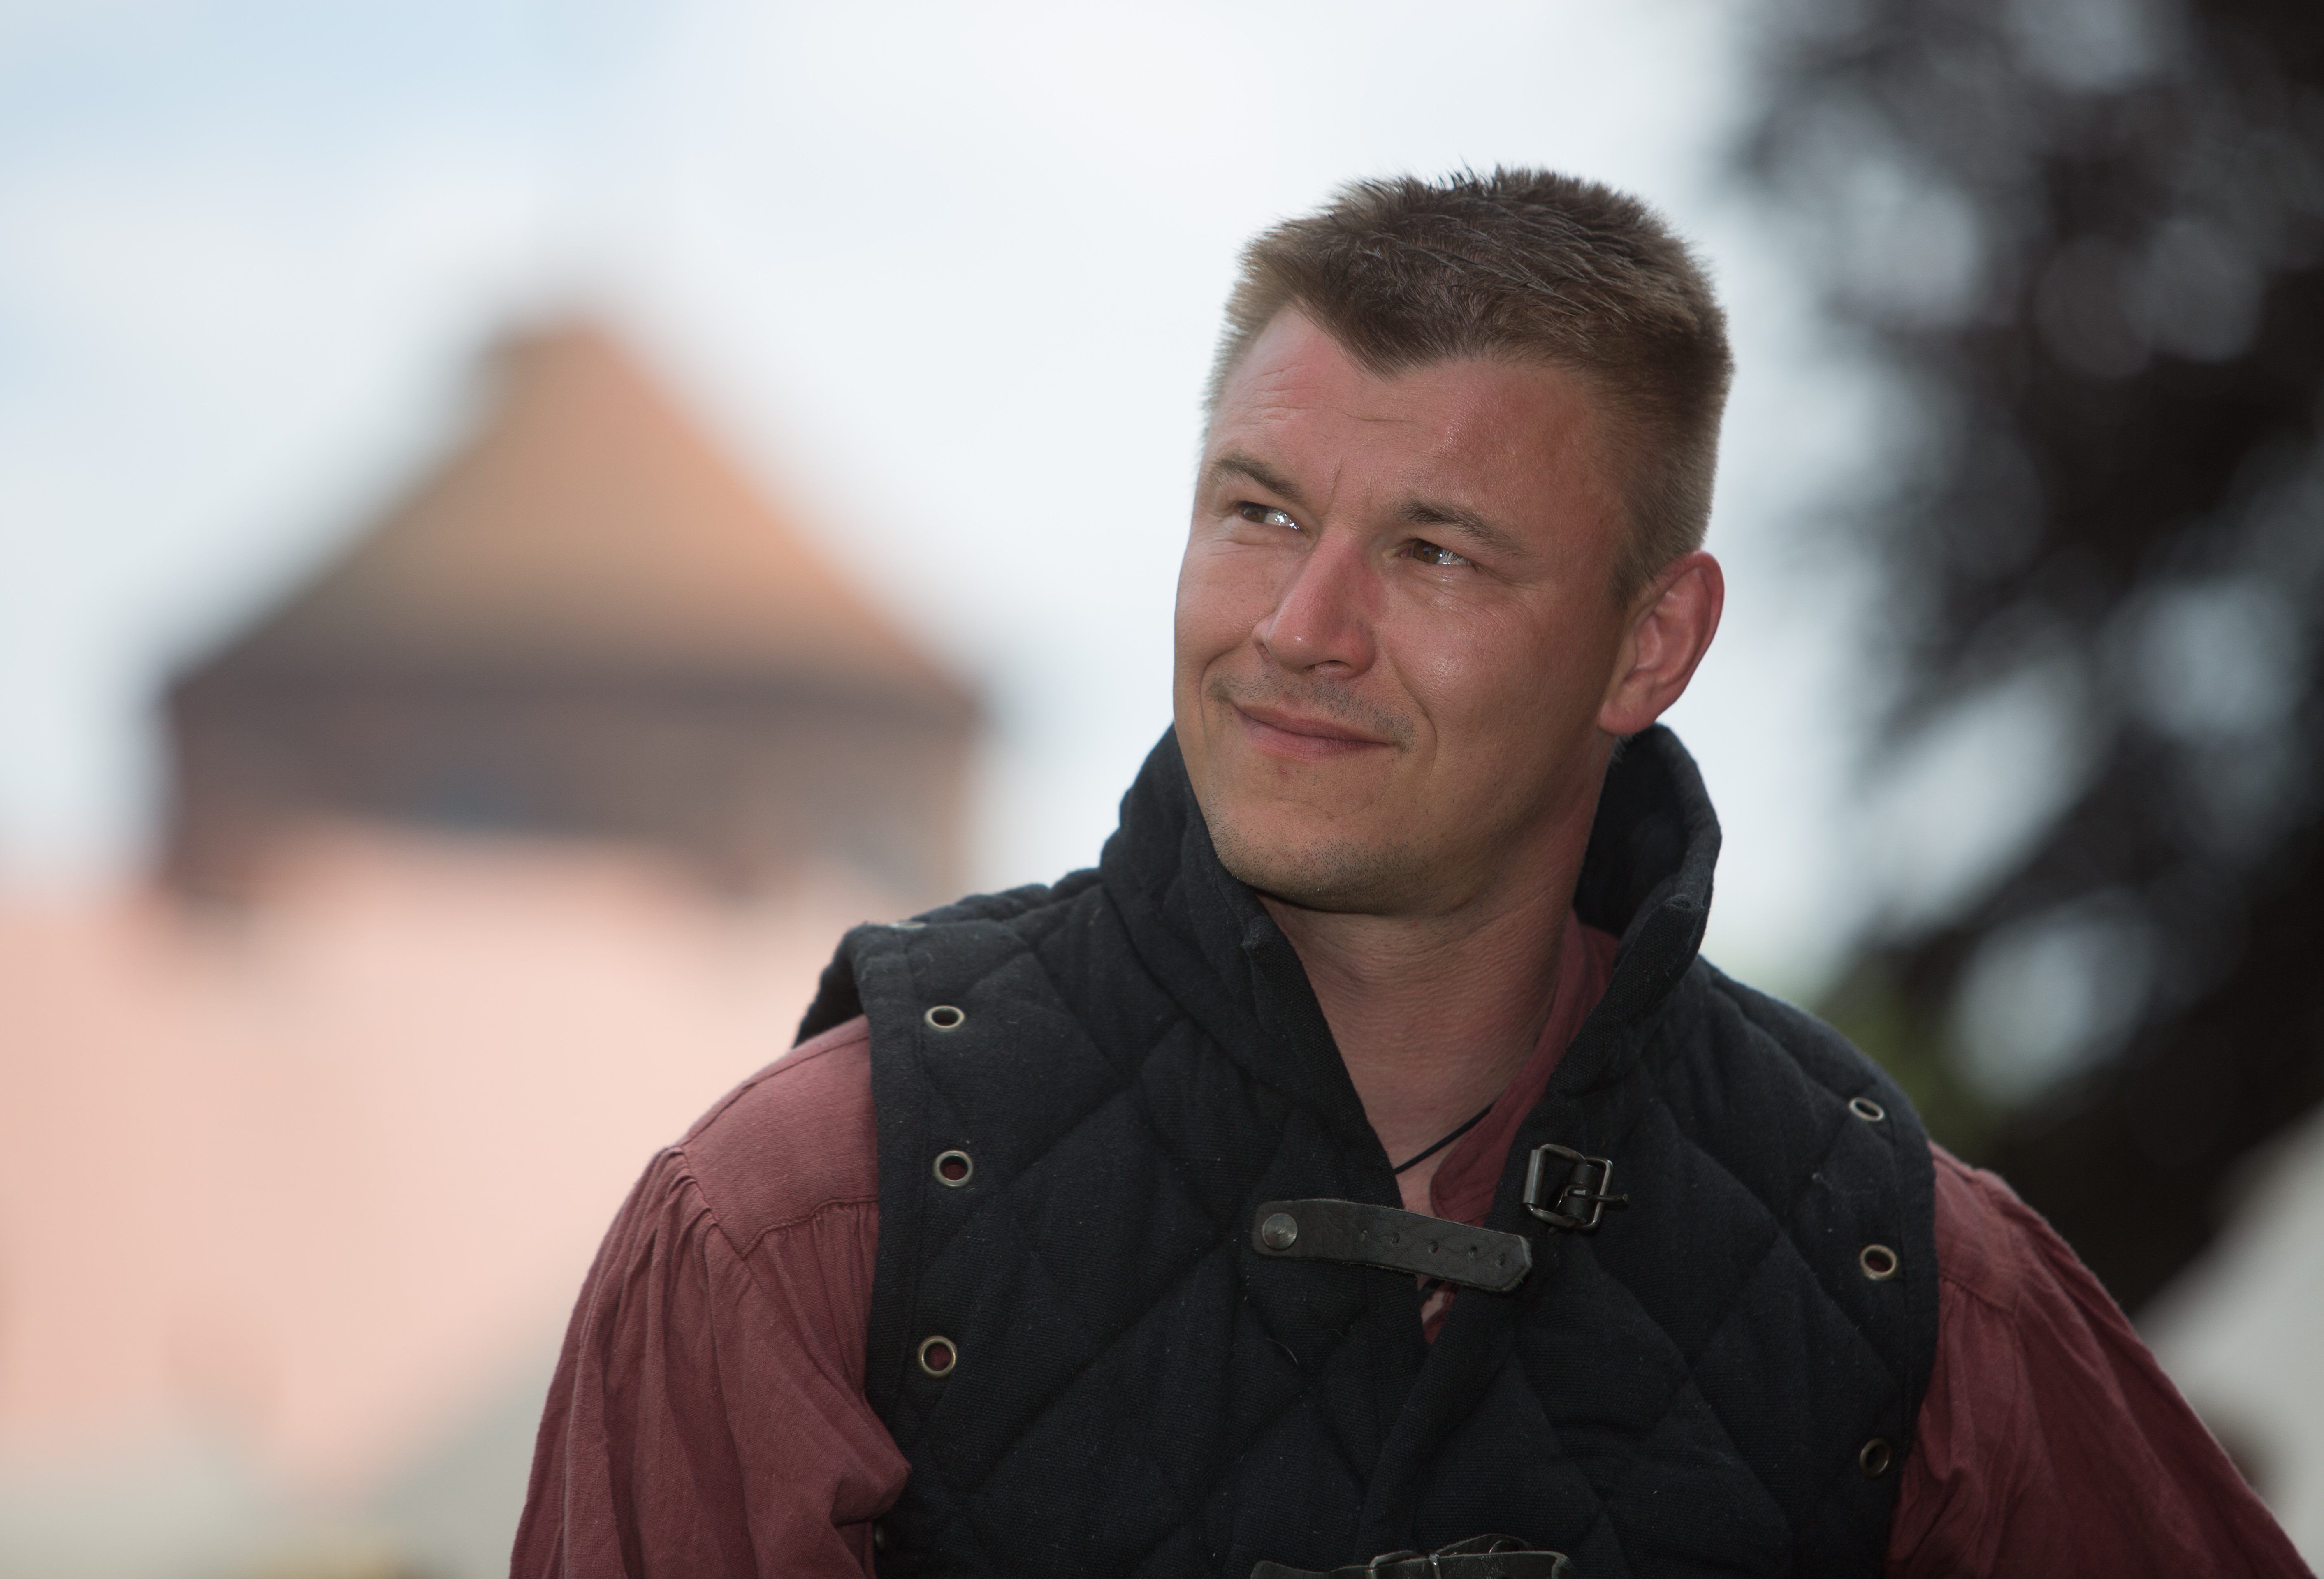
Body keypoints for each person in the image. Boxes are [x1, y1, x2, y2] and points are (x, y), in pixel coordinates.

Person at [512, 171, 2310, 1579]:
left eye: (1436, 551)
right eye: (1261, 513)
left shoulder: (1905, 1275)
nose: (1303, 628)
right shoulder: (796, 1222)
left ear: (1651, 644)